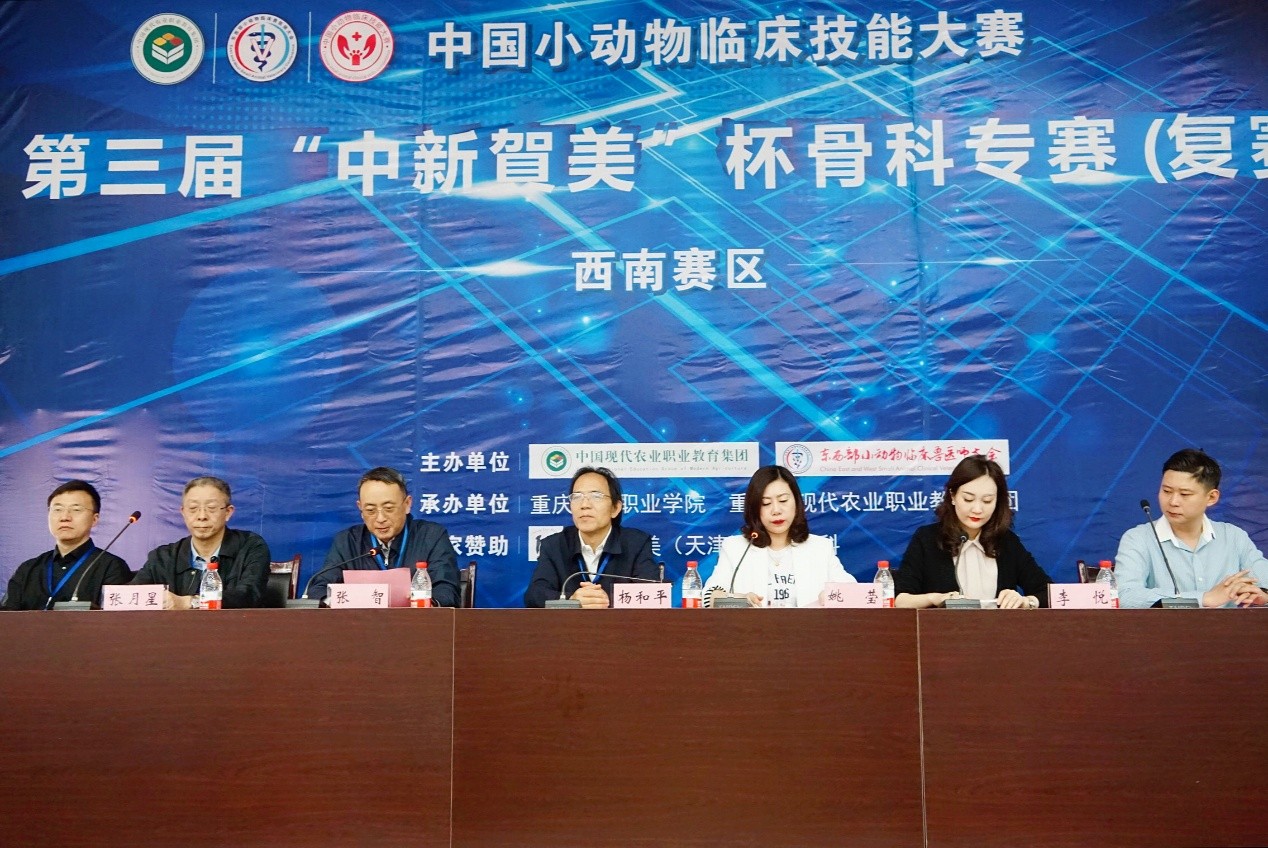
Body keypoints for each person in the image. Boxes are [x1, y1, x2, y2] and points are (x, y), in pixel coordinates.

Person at [1115, 448, 1267, 608]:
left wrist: (1263, 595)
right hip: (1164, 626)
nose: (1173, 502)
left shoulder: (1233, 537)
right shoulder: (1138, 538)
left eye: (1185, 494)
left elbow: (1264, 583)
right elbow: (1125, 596)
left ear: (1211, 497)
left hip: (1227, 625)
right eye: (1166, 491)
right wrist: (1204, 598)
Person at [895, 455, 1051, 609]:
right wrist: (936, 598)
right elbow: (900, 599)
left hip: (998, 626)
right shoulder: (927, 539)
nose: (977, 509)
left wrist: (1026, 601)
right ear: (953, 496)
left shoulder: (1006, 542)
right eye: (968, 499)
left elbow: (1049, 593)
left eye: (987, 501)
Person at [704, 465, 856, 608]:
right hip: (753, 627)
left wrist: (832, 596)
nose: (776, 510)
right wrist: (738, 600)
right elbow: (709, 598)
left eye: (783, 500)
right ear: (755, 509)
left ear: (796, 502)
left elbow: (855, 594)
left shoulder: (820, 548)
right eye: (766, 503)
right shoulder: (735, 548)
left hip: (809, 627)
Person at [314, 466, 460, 607]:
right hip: (359, 622)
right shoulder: (347, 541)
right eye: (370, 510)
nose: (380, 518)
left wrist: (426, 604)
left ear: (407, 504)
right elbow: (318, 588)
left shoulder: (431, 536)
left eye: (389, 508)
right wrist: (335, 602)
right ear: (360, 508)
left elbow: (447, 590)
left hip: (415, 621)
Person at [524, 466, 657, 608]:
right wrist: (570, 601)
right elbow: (534, 595)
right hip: (570, 623)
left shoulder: (637, 543)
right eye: (577, 497)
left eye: (596, 496)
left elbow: (653, 594)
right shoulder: (554, 545)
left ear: (615, 508)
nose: (585, 505)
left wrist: (605, 600)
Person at [130, 476, 270, 609]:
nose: (202, 516)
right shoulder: (163, 557)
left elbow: (249, 594)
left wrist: (191, 602)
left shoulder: (250, 547)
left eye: (211, 508)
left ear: (228, 512)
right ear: (183, 512)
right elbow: (132, 596)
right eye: (193, 508)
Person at [2, 481, 132, 610]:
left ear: (94, 519)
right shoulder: (28, 569)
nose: (64, 517)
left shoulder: (112, 567)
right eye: (57, 509)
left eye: (76, 510)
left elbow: (117, 619)